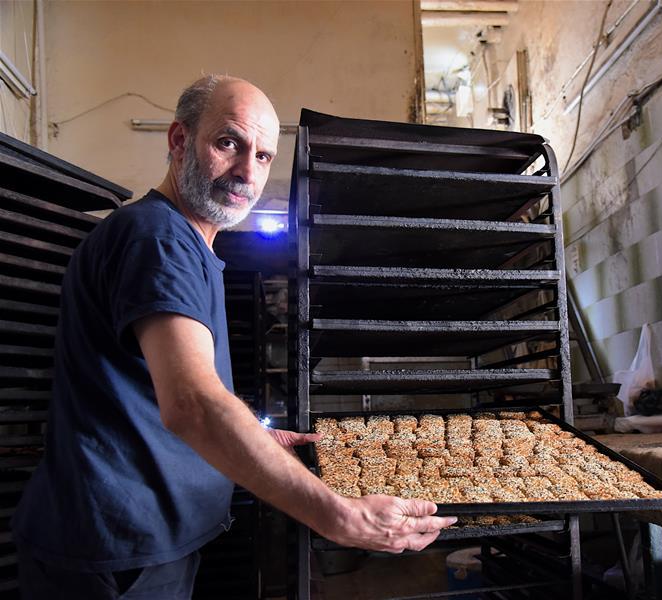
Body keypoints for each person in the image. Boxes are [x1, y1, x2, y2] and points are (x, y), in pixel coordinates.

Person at [12, 75, 456, 599]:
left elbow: (154, 391)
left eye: (264, 156)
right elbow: (193, 403)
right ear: (179, 141)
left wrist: (256, 437)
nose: (248, 171)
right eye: (229, 143)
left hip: (140, 543)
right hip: (115, 553)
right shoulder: (159, 240)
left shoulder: (184, 243)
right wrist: (336, 515)